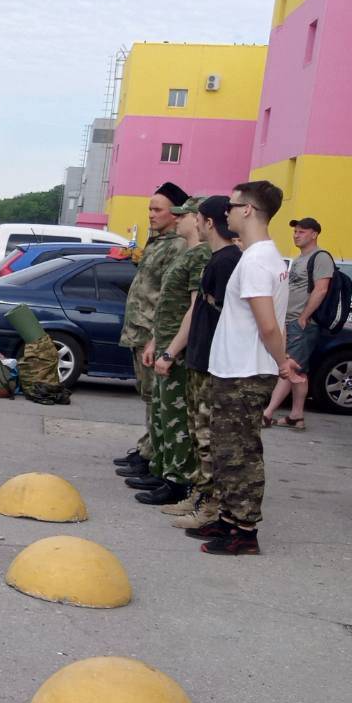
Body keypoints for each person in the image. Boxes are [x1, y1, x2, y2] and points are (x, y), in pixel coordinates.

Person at [196, 180, 304, 556]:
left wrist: (282, 363)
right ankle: (229, 519)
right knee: (227, 450)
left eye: (231, 204)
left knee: (239, 452)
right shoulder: (263, 256)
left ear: (248, 210)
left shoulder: (257, 261)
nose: (226, 211)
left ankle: (244, 531)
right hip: (237, 367)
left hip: (244, 371)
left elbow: (268, 325)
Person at [154, 195, 235, 531]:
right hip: (199, 357)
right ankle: (199, 496)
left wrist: (171, 352)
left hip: (212, 361)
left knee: (207, 439)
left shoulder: (226, 261)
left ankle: (210, 507)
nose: (193, 222)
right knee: (197, 434)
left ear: (208, 222)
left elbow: (213, 313)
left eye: (197, 217)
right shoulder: (215, 258)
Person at [134, 198, 212, 506]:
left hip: (178, 350)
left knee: (177, 418)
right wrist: (156, 341)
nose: (177, 220)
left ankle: (178, 480)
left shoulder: (201, 255)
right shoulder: (189, 253)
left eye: (184, 215)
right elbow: (167, 304)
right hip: (166, 343)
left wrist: (171, 350)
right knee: (162, 414)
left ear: (197, 219)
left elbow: (193, 308)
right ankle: (162, 469)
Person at [116, 181, 189, 482]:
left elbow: (170, 296)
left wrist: (156, 336)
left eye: (157, 209)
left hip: (153, 332)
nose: (151, 214)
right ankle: (148, 449)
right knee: (148, 396)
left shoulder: (178, 245)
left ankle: (154, 456)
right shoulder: (158, 241)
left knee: (157, 400)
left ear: (176, 213)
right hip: (140, 329)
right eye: (150, 208)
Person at [264, 217, 334, 430]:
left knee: (289, 367)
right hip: (292, 321)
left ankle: (267, 413)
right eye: (295, 231)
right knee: (299, 371)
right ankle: (297, 416)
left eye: (302, 231)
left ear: (314, 234)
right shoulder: (300, 258)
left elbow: (321, 289)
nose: (296, 235)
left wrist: (303, 317)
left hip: (302, 323)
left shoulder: (320, 257)